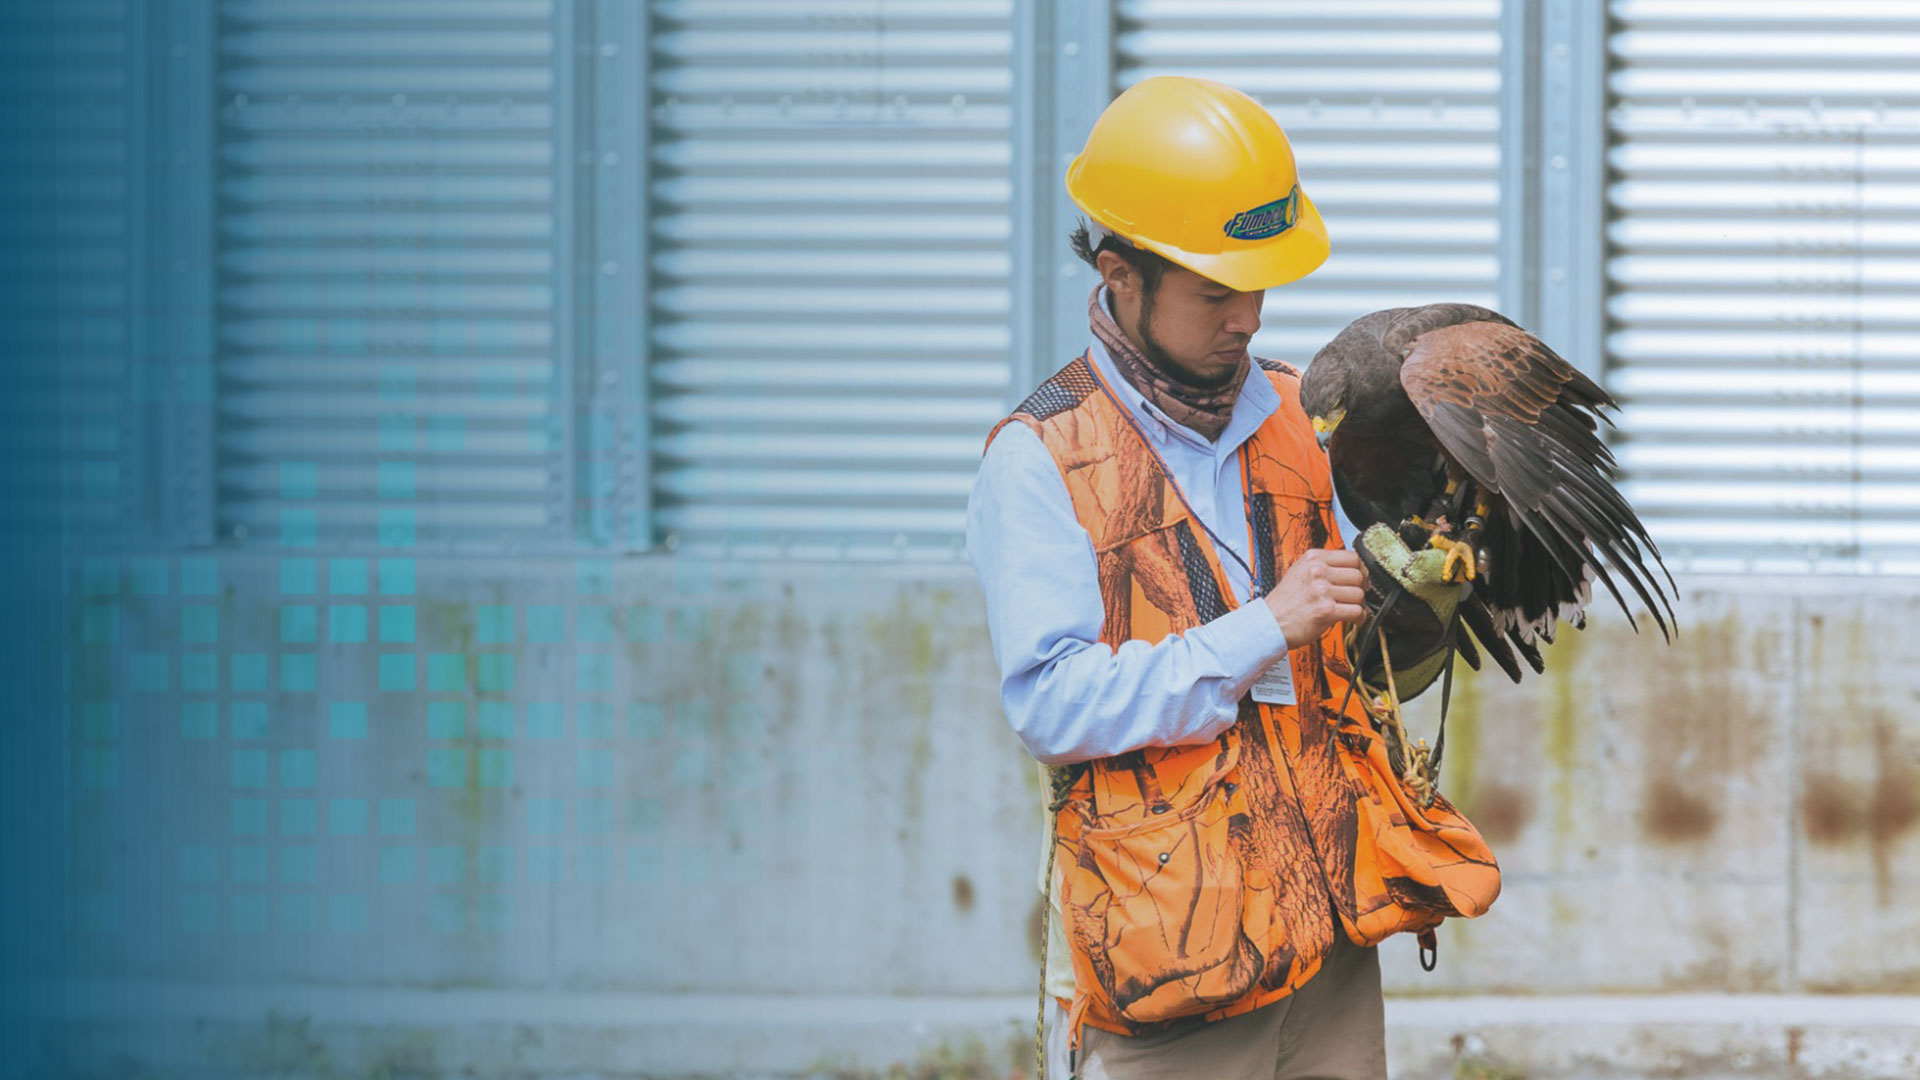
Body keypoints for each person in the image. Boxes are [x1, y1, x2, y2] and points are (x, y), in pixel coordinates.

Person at [966, 76, 1497, 1079]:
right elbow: (1052, 703)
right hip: (1170, 961)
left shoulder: (1309, 416)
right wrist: (1264, 625)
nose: (1247, 317)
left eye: (1256, 286)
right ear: (1121, 274)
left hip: (1332, 945)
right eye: (1216, 290)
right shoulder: (1039, 457)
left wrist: (1422, 603)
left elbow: (1359, 659)